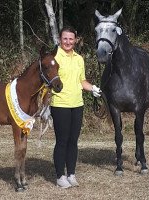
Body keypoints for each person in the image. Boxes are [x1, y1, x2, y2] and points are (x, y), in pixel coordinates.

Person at [50, 26, 101, 189]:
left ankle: (71, 173)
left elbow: (82, 81)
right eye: (65, 38)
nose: (68, 42)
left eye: (71, 39)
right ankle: (60, 176)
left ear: (75, 40)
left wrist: (92, 88)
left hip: (77, 104)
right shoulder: (54, 57)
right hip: (60, 104)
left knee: (73, 141)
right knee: (62, 141)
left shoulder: (79, 58)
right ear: (60, 39)